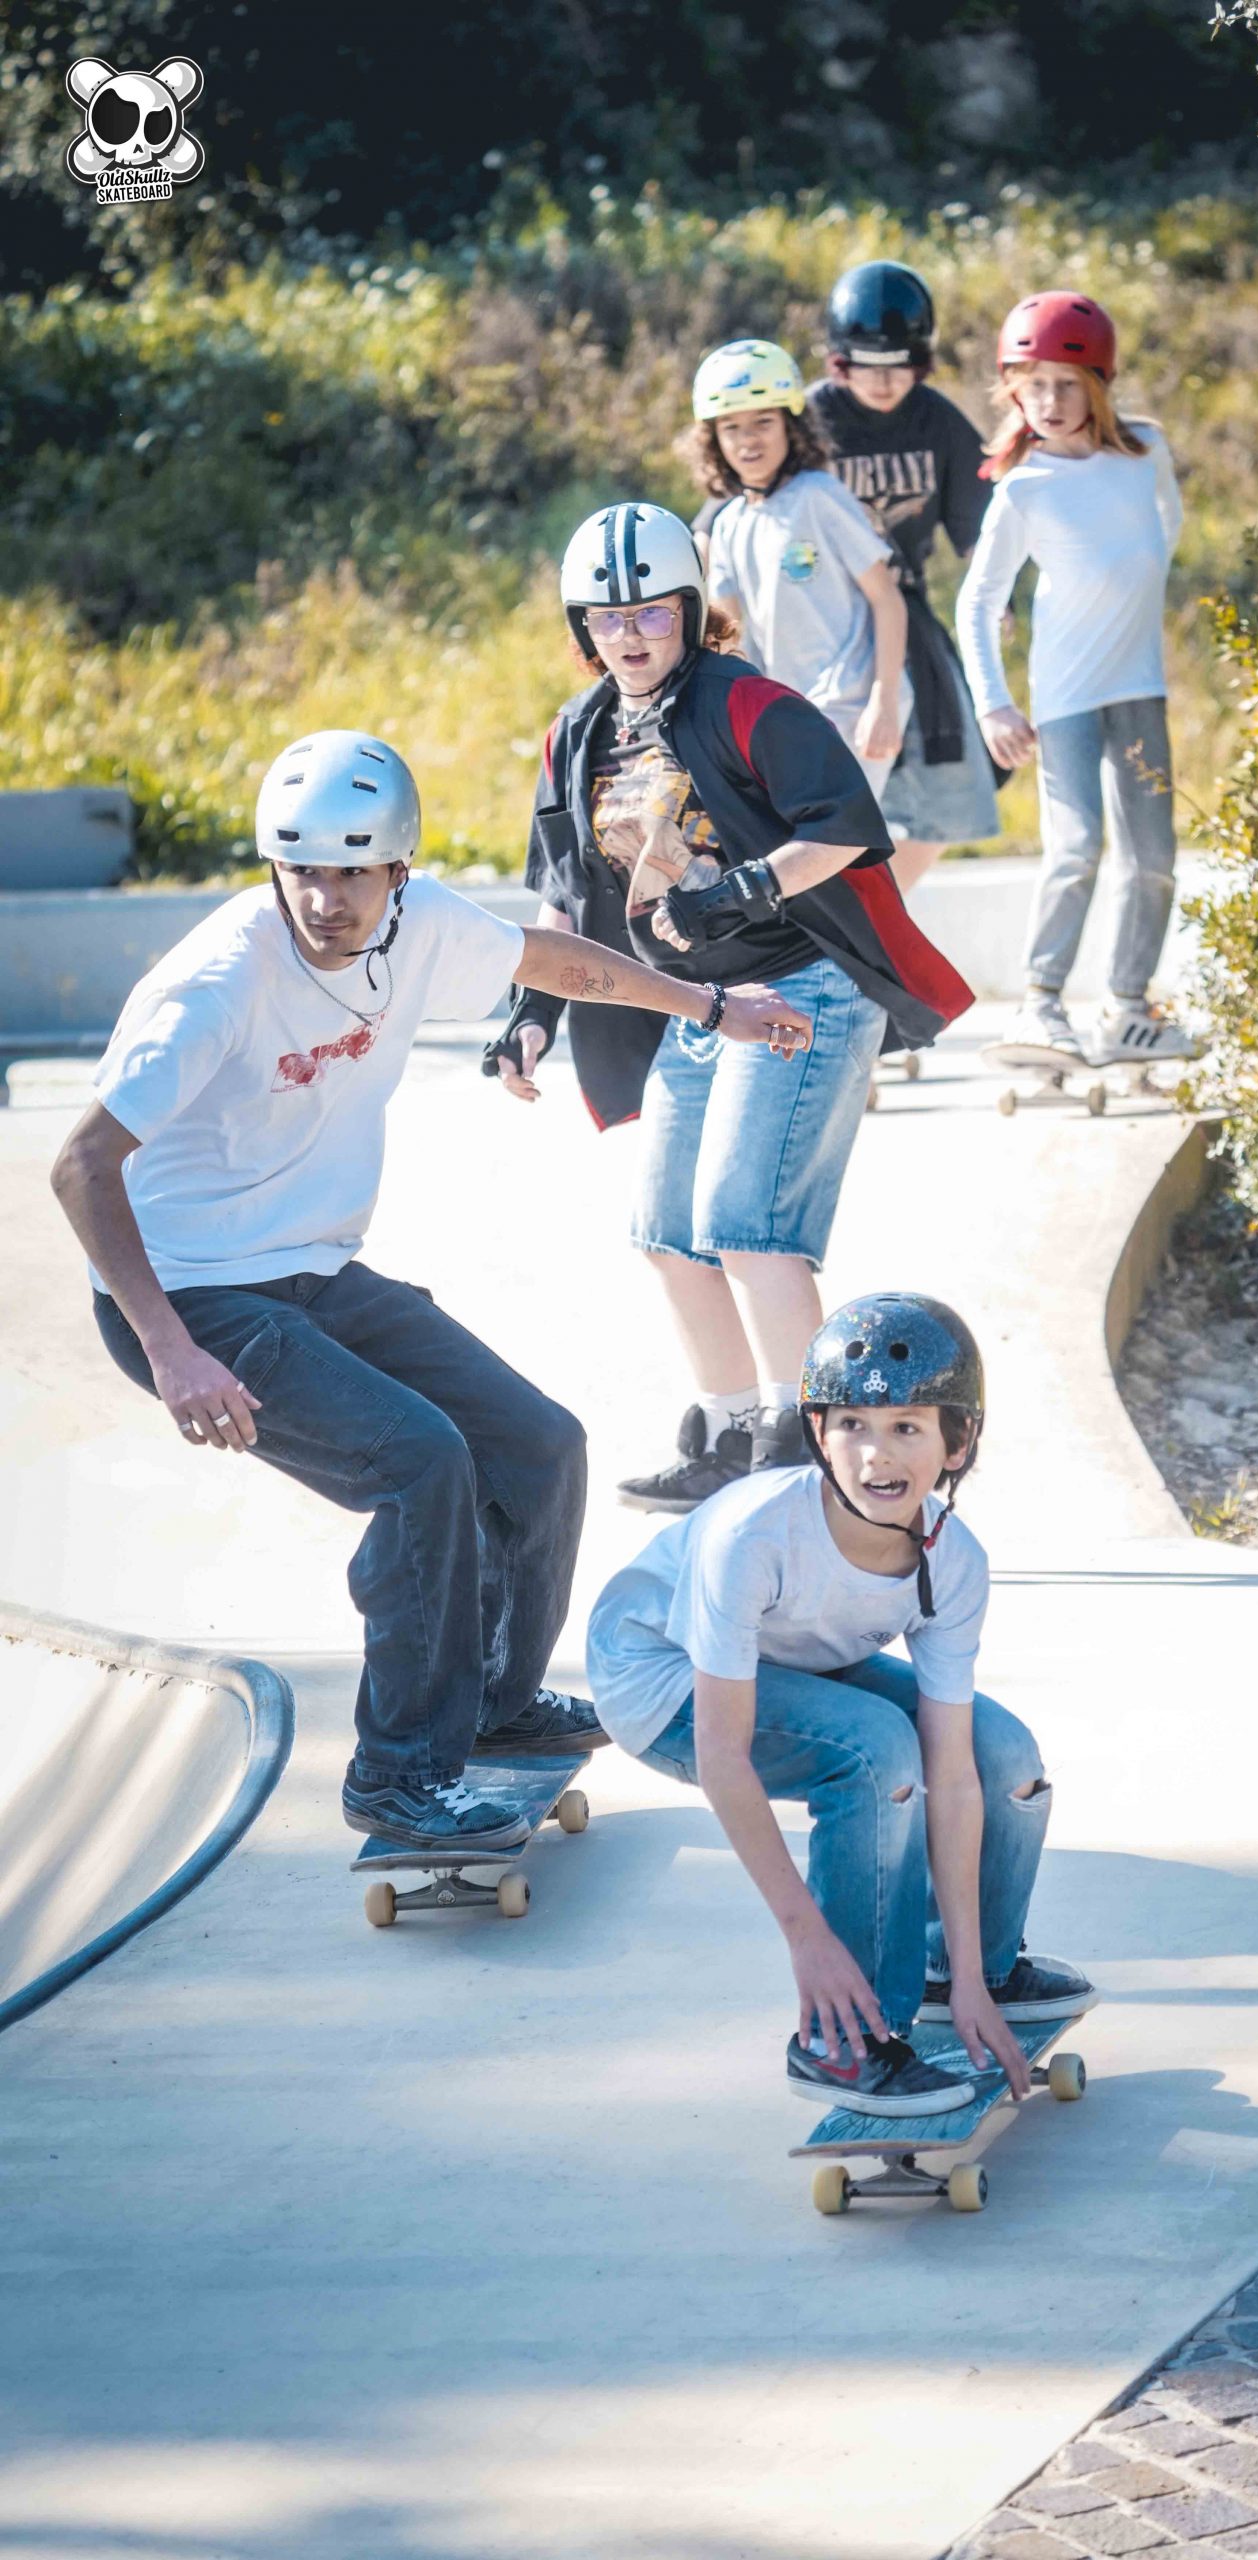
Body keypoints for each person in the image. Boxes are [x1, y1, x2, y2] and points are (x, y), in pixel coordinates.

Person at [50, 728, 812, 1856]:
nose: (323, 898)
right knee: (420, 1465)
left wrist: (708, 1006)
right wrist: (170, 1350)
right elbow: (80, 1165)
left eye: (351, 872)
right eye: (301, 869)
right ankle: (399, 1774)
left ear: (397, 872)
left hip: (310, 1271)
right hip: (194, 1298)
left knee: (540, 1446)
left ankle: (494, 1702)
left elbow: (555, 964)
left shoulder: (426, 925)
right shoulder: (218, 983)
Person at [486, 502, 973, 1515]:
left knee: (748, 1227)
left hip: (802, 985)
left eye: (651, 614)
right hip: (701, 1006)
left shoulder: (750, 703)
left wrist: (746, 887)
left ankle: (814, 1457)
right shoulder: (574, 736)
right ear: (581, 629)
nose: (628, 634)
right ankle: (727, 1430)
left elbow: (844, 827)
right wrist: (531, 1009)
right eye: (606, 617)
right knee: (668, 1232)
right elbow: (564, 893)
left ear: (689, 609)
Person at [585, 1293, 1094, 2114]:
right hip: (661, 1677)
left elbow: (957, 1775)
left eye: (906, 1427)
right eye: (851, 1424)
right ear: (818, 1435)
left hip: (795, 1661)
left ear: (955, 1443)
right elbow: (722, 1753)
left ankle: (965, 1970)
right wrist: (808, 1941)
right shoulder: (751, 1536)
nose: (874, 1454)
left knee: (1004, 1757)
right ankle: (842, 2039)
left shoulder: (954, 1561)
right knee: (872, 1754)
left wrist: (966, 1979)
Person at [955, 291, 1202, 1072]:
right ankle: (1042, 1005)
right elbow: (977, 600)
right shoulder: (1022, 488)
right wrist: (994, 701)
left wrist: (1135, 581)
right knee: (1077, 847)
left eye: (1066, 384)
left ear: (1098, 384)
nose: (1050, 403)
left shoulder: (1145, 451)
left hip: (1139, 686)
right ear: (1012, 390)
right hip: (1063, 697)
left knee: (1154, 853)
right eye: (1032, 386)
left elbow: (1167, 526)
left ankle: (1128, 1010)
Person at [807, 259, 1000, 893]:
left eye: (900, 367)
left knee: (956, 781)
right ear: (840, 360)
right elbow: (737, 506)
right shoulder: (809, 420)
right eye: (868, 365)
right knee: (820, 796)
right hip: (822, 622)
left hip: (906, 617)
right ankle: (837, 922)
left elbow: (986, 525)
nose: (885, 382)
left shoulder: (936, 420)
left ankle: (875, 917)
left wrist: (997, 593)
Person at [686, 338, 911, 807]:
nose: (749, 439)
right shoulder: (728, 523)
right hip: (787, 715)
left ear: (792, 424)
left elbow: (887, 598)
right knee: (806, 859)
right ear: (713, 438)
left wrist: (884, 701)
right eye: (732, 427)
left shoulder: (819, 496)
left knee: (832, 851)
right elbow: (732, 640)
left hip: (850, 707)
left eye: (763, 422)